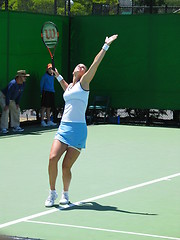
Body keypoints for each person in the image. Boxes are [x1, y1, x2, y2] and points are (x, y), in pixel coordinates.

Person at [45, 34, 118, 207]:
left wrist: (105, 45)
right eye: (79, 65)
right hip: (63, 128)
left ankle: (66, 194)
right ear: (74, 71)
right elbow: (64, 85)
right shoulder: (70, 87)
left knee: (65, 167)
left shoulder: (84, 83)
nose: (81, 66)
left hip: (78, 130)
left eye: (83, 67)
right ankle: (52, 193)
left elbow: (95, 64)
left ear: (84, 73)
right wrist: (56, 75)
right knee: (52, 158)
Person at [0, 70, 30, 134]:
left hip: (11, 99)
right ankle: (3, 128)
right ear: (19, 77)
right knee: (6, 110)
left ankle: (16, 126)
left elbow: (20, 94)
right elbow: (8, 94)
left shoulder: (23, 84)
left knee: (17, 109)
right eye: (24, 76)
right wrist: (7, 105)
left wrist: (17, 103)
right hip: (3, 97)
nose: (25, 78)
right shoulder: (12, 83)